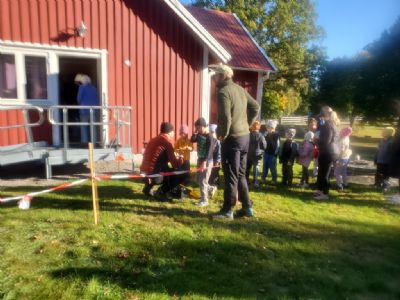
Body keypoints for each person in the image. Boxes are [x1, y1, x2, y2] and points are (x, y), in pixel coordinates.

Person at [212, 64, 259, 219]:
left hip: (232, 139)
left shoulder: (223, 91)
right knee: (241, 175)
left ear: (223, 75)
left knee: (231, 176)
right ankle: (247, 208)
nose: (213, 78)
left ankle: (227, 210)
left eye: (216, 75)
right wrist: (248, 124)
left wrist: (222, 135)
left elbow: (225, 118)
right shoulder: (240, 89)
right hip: (245, 137)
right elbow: (256, 107)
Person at [140, 122, 185, 201]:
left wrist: (172, 155)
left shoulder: (153, 140)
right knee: (181, 174)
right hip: (155, 176)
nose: (174, 134)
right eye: (173, 132)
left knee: (161, 166)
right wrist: (181, 158)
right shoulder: (167, 143)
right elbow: (175, 165)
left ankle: (147, 187)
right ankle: (161, 192)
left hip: (143, 173)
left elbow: (157, 157)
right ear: (170, 132)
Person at [191, 118, 217, 207]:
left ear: (204, 126)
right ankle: (210, 188)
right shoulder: (198, 134)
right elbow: (192, 140)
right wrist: (195, 132)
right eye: (196, 128)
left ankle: (204, 200)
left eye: (198, 128)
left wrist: (205, 162)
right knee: (197, 179)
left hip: (207, 161)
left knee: (203, 181)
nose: (197, 130)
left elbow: (210, 151)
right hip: (200, 159)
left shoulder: (209, 137)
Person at [314, 108, 339, 200]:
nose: (320, 119)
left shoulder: (329, 125)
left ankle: (325, 194)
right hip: (325, 151)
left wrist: (316, 141)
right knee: (321, 172)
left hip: (329, 152)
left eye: (321, 117)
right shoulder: (326, 124)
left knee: (325, 173)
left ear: (325, 116)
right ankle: (319, 190)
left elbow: (326, 141)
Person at [75, 74, 100, 144]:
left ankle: (84, 142)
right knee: (93, 127)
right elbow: (97, 98)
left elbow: (78, 99)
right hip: (94, 110)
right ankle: (94, 142)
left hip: (84, 110)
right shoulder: (94, 88)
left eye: (81, 81)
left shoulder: (82, 87)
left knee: (84, 126)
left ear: (83, 81)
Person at [246, 121, 266, 188]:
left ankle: (245, 180)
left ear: (252, 127)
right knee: (256, 168)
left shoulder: (248, 135)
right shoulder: (261, 136)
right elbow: (264, 146)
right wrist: (261, 150)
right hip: (257, 154)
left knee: (247, 168)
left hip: (249, 154)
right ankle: (255, 182)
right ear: (259, 127)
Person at [334, 127, 353, 191]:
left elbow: (341, 151)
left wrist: (337, 159)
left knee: (337, 173)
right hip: (346, 157)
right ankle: (345, 183)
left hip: (341, 158)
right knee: (343, 172)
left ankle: (339, 185)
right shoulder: (347, 138)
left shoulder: (342, 141)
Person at [262, 119, 280, 184]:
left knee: (272, 167)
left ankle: (274, 179)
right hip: (266, 153)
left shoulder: (276, 135)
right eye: (267, 127)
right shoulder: (266, 134)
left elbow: (278, 145)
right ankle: (263, 178)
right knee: (265, 166)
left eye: (268, 127)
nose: (267, 129)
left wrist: (276, 152)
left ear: (273, 128)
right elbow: (263, 141)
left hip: (272, 154)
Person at [208, 124, 221, 198]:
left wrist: (217, 161)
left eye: (213, 133)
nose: (211, 134)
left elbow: (219, 152)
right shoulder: (210, 140)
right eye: (210, 132)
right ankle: (210, 182)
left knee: (215, 171)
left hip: (216, 160)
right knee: (211, 171)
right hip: (211, 159)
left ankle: (215, 183)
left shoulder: (218, 141)